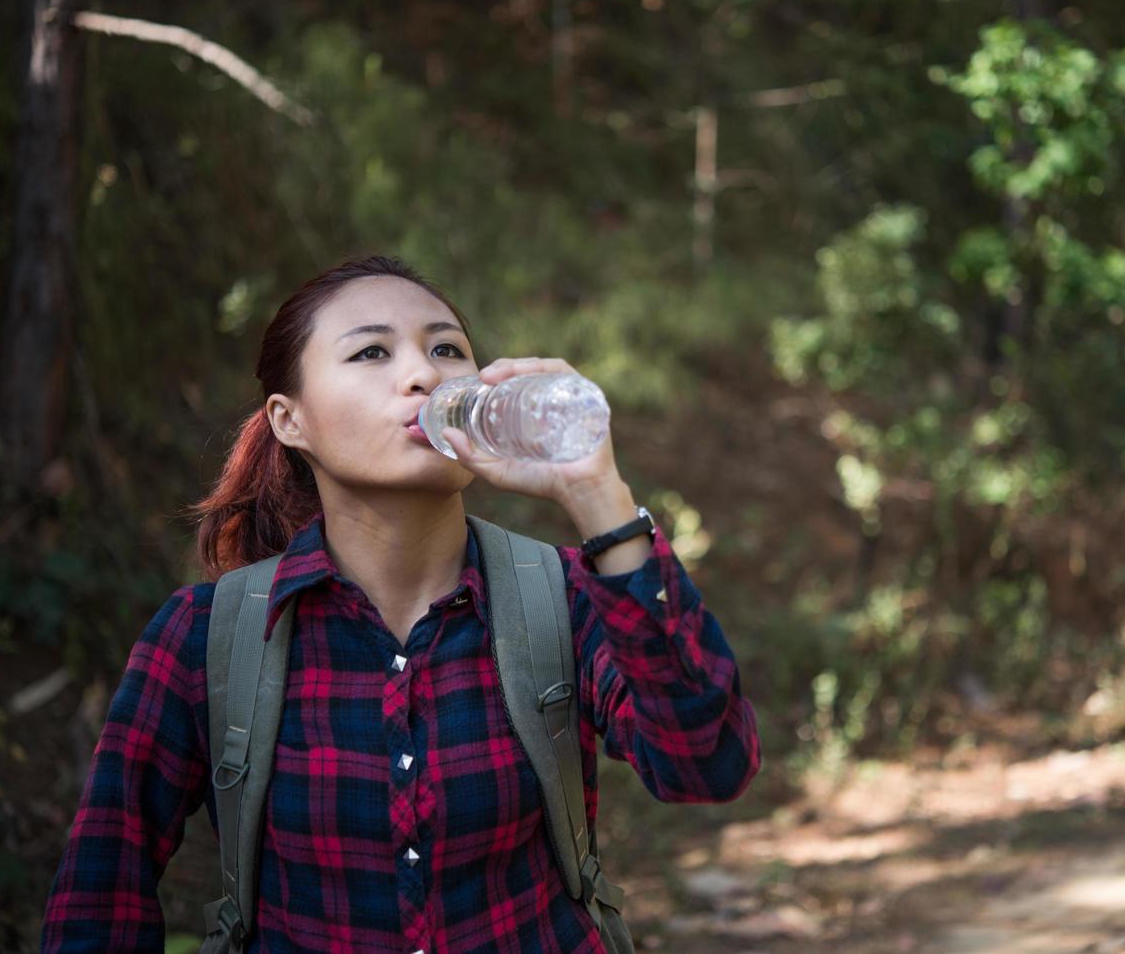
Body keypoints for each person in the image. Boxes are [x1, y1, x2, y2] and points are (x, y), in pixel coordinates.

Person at [40, 255, 762, 952]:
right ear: (291, 422)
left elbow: (707, 765)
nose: (423, 374)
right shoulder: (206, 638)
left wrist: (598, 496)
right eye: (370, 354)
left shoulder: (565, 597)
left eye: (447, 349)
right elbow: (102, 895)